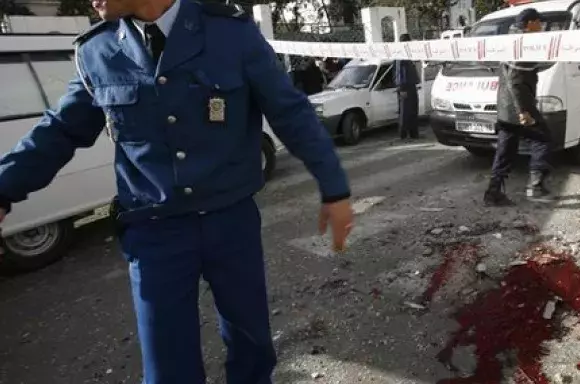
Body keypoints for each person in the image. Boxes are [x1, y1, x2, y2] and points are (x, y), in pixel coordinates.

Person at [0, 0, 354, 383]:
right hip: (153, 232)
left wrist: (334, 188)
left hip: (230, 222)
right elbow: (60, 130)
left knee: (252, 347)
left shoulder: (230, 33)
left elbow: (290, 112)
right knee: (167, 368)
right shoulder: (98, 50)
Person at [483, 8, 553, 207]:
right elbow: (515, 82)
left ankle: (493, 193)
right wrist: (523, 111)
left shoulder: (509, 41)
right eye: (539, 22)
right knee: (543, 140)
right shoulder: (524, 45)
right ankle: (536, 186)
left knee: (505, 152)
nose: (542, 26)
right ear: (530, 23)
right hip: (519, 109)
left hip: (505, 110)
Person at [395, 33, 421, 139]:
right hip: (405, 87)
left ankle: (413, 133)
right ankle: (403, 134)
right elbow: (400, 73)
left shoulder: (406, 54)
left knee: (413, 110)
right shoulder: (401, 56)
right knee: (405, 112)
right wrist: (402, 88)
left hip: (411, 86)